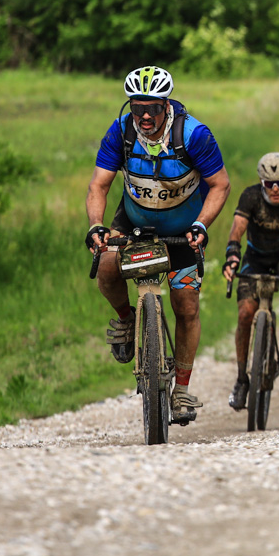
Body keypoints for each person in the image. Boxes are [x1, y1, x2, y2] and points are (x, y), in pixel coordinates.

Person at [85, 66, 231, 423]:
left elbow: (221, 184)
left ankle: (180, 391)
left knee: (186, 306)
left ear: (167, 105)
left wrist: (201, 225)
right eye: (137, 108)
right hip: (133, 222)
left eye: (153, 107)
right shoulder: (120, 133)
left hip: (184, 230)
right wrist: (96, 226)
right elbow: (99, 186)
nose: (145, 116)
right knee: (105, 265)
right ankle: (126, 319)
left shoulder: (194, 135)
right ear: (130, 107)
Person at [222, 152, 279, 411]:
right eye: (268, 183)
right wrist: (232, 255)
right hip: (256, 257)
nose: (275, 189)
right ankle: (240, 379)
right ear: (261, 182)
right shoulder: (250, 196)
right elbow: (237, 228)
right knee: (245, 313)